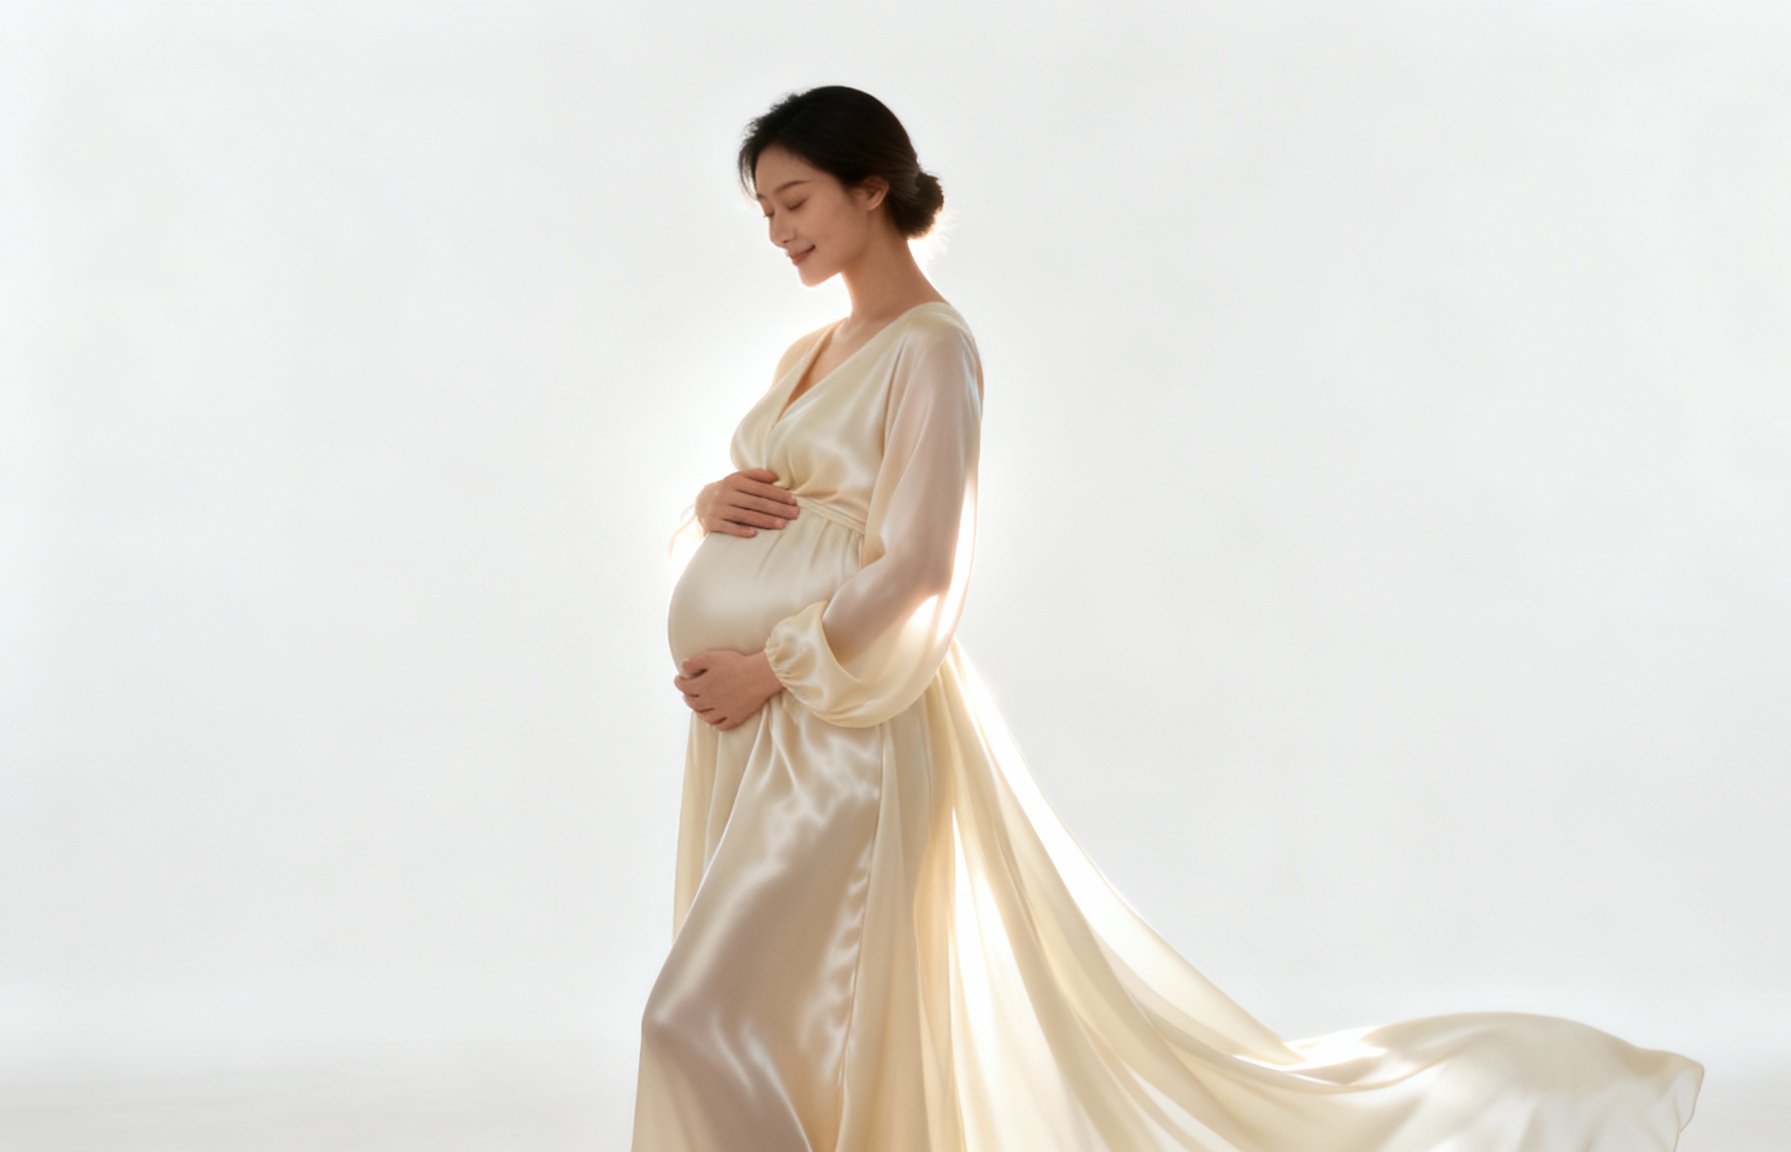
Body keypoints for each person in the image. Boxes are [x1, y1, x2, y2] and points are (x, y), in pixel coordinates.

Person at [633, 85, 1703, 1152]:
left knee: (696, 1018)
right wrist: (710, 503)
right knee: (777, 1018)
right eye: (765, 211)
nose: (776, 232)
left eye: (794, 202)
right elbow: (781, 504)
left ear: (870, 189)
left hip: (835, 727)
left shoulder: (931, 347)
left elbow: (922, 563)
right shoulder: (805, 354)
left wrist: (772, 666)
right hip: (755, 729)